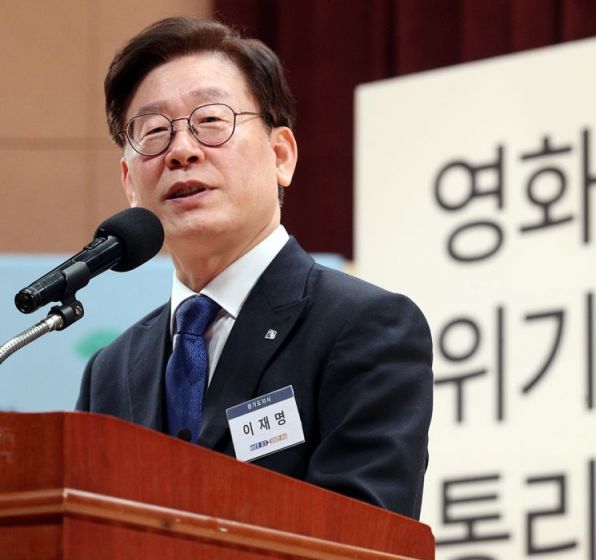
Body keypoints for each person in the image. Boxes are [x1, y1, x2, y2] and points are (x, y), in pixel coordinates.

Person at [75, 17, 433, 520]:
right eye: (154, 132)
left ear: (281, 155)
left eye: (211, 121)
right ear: (129, 183)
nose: (181, 151)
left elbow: (363, 534)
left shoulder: (364, 327)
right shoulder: (111, 372)